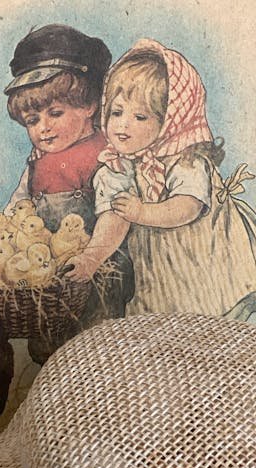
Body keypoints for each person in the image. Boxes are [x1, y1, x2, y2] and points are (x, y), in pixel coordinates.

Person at [67, 39, 256, 317]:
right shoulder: (116, 166)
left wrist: (142, 211)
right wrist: (91, 258)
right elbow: (114, 217)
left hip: (205, 260)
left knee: (209, 317)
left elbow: (187, 207)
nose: (123, 124)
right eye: (117, 112)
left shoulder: (186, 161)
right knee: (162, 316)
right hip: (160, 269)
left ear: (170, 121)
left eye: (140, 116)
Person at [3, 24, 134, 329]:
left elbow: (116, 216)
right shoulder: (37, 161)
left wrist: (90, 259)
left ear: (89, 105)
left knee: (95, 343)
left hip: (96, 274)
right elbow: (18, 206)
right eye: (32, 120)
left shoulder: (106, 156)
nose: (43, 128)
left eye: (55, 113)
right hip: (48, 279)